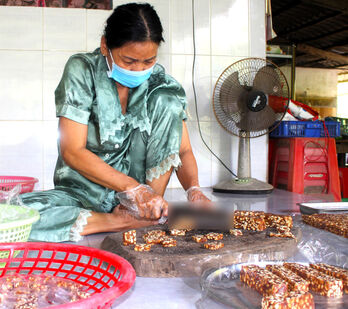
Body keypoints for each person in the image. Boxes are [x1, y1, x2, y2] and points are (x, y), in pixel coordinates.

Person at [21, 2, 210, 243]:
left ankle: (144, 215)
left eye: (148, 61)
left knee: (168, 99)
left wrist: (193, 191)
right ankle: (116, 221)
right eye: (129, 61)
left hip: (141, 202)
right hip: (82, 196)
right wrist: (132, 188)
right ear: (104, 46)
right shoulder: (82, 70)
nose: (139, 69)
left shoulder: (162, 86)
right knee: (11, 213)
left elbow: (182, 150)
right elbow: (72, 150)